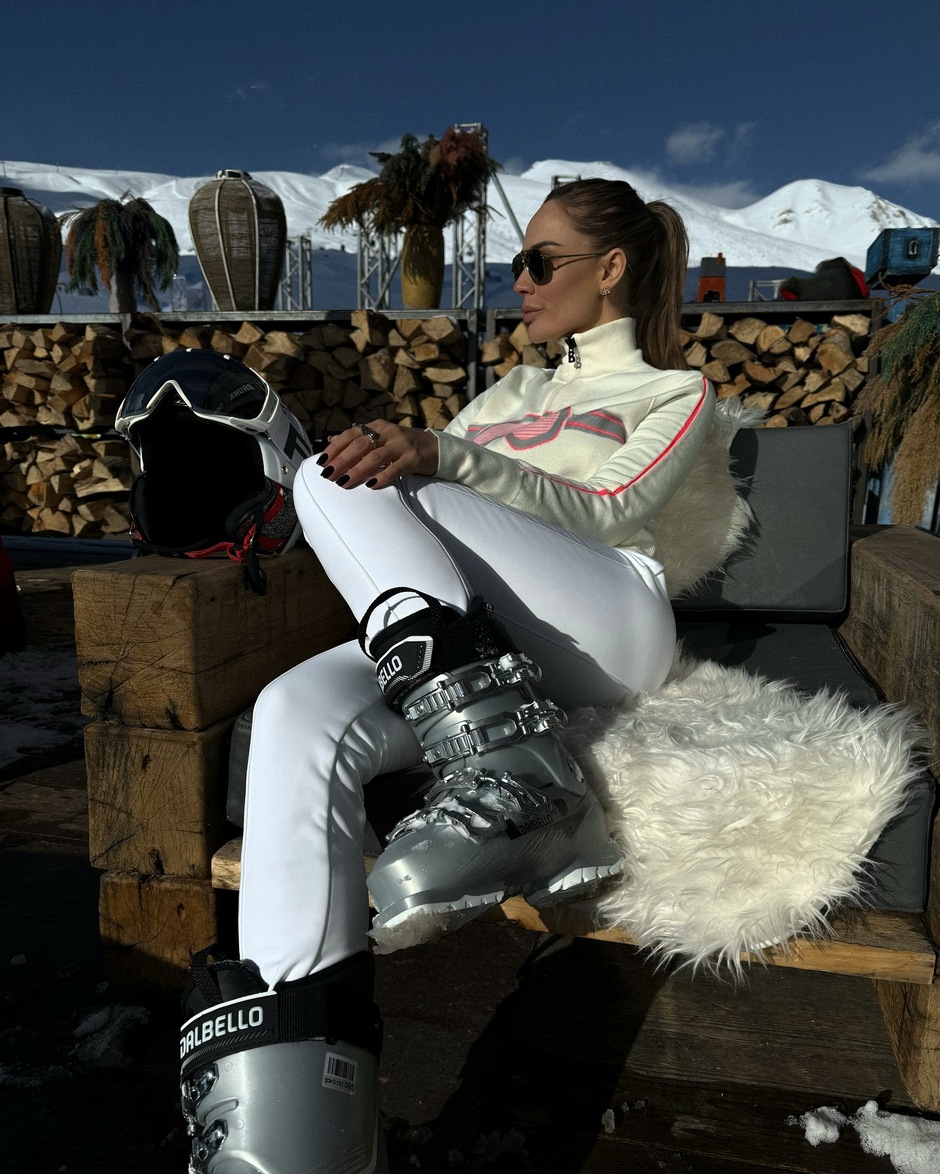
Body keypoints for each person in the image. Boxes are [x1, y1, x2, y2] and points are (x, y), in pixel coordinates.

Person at [178, 179, 730, 1173]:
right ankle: (297, 1137)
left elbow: (609, 509)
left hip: (606, 623)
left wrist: (437, 454)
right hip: (486, 643)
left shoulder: (671, 392)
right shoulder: (509, 394)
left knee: (337, 478)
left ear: (611, 268)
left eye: (541, 262)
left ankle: (531, 782)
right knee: (296, 707)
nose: (520, 281)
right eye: (518, 262)